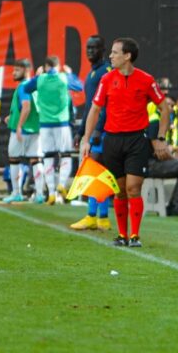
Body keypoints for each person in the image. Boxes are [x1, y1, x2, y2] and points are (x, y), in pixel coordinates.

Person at [80, 38, 172, 248]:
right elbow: (94, 110)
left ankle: (135, 236)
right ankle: (122, 235)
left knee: (133, 187)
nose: (110, 56)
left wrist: (160, 138)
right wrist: (86, 139)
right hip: (112, 140)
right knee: (120, 190)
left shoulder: (146, 80)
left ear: (127, 56)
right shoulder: (106, 79)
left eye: (115, 53)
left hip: (137, 140)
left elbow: (164, 108)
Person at [22, 56, 82, 205]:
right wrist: (71, 73)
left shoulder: (40, 79)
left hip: (45, 124)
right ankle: (62, 183)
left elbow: (26, 88)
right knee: (66, 155)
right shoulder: (64, 78)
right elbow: (80, 86)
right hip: (62, 124)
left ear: (46, 66)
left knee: (48, 157)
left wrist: (37, 76)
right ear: (57, 66)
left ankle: (52, 192)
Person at [71, 36, 115, 230]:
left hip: (103, 131)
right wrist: (81, 132)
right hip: (94, 130)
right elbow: (90, 105)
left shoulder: (105, 72)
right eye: (87, 48)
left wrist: (98, 128)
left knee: (97, 171)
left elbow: (106, 104)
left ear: (102, 50)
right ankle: (99, 217)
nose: (90, 51)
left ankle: (97, 216)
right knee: (94, 171)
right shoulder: (93, 73)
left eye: (94, 48)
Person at [3, 59, 41, 204]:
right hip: (36, 129)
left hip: (21, 130)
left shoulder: (23, 86)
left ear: (26, 71)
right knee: (36, 160)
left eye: (16, 70)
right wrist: (12, 117)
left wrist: (18, 125)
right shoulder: (35, 85)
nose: (13, 72)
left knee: (14, 159)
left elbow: (26, 107)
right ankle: (39, 195)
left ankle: (16, 193)